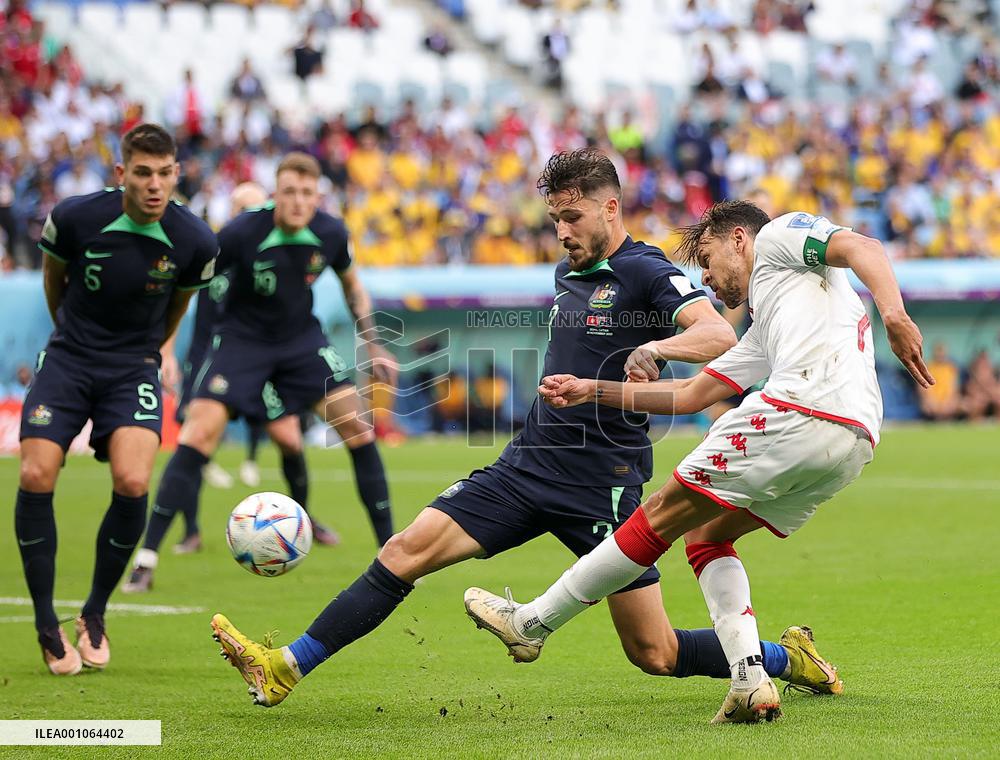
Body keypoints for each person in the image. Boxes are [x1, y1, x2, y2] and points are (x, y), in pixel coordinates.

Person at [209, 150, 839, 708]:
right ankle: (285, 667)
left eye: (574, 218)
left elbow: (717, 333)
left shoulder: (647, 271)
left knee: (655, 653)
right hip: (526, 466)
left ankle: (784, 659)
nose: (562, 233)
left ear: (610, 208)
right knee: (405, 552)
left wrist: (660, 346)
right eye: (555, 220)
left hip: (603, 484)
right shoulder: (568, 272)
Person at [465, 201, 933, 723]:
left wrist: (894, 312)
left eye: (707, 259)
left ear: (738, 239)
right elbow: (691, 394)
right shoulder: (769, 323)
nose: (706, 277)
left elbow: (862, 246)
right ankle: (751, 681)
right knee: (706, 535)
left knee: (660, 513)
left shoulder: (778, 236)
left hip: (799, 410)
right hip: (853, 442)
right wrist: (590, 389)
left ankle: (532, 623)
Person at [123, 153, 396, 593]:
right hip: (242, 343)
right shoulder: (241, 232)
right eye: (289, 191)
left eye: (307, 193)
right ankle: (147, 558)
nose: (298, 201)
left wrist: (374, 343)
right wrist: (167, 350)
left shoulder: (330, 231)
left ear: (317, 196)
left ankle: (391, 551)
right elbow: (187, 285)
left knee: (359, 428)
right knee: (198, 434)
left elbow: (353, 286)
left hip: (301, 341)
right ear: (276, 193)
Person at [15, 123, 218, 675]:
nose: (154, 185)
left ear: (177, 173)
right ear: (121, 173)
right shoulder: (77, 217)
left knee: (132, 482)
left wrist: (153, 354)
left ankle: (95, 613)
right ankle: (44, 623)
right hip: (69, 360)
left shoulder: (196, 242)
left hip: (132, 368)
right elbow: (54, 283)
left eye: (165, 173)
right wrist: (72, 340)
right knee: (36, 475)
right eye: (143, 173)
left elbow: (175, 310)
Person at [150, 182, 338, 559]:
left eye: (254, 207)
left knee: (288, 438)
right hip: (210, 360)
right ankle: (189, 530)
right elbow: (183, 302)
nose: (249, 215)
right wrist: (171, 354)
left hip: (255, 360)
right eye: (241, 207)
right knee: (196, 439)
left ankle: (301, 519)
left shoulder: (269, 256)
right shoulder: (219, 254)